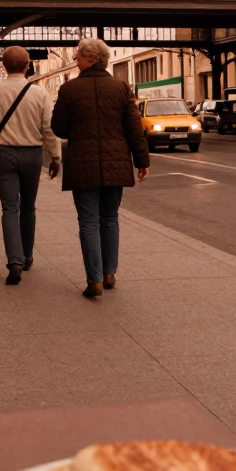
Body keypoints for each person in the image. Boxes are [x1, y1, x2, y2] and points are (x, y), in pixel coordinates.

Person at [51, 38, 149, 298]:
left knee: (88, 221)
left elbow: (59, 128)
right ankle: (109, 274)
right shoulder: (120, 88)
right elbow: (134, 129)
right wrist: (142, 161)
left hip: (83, 165)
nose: (76, 61)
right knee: (109, 218)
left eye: (78, 58)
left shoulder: (69, 90)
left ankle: (93, 280)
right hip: (115, 164)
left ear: (90, 59)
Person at [0, 45, 62, 286]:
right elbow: (49, 129)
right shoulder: (39, 94)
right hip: (32, 155)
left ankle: (14, 261)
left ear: (3, 66)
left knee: (9, 208)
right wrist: (55, 157)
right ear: (27, 67)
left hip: (3, 154)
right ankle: (27, 256)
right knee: (28, 208)